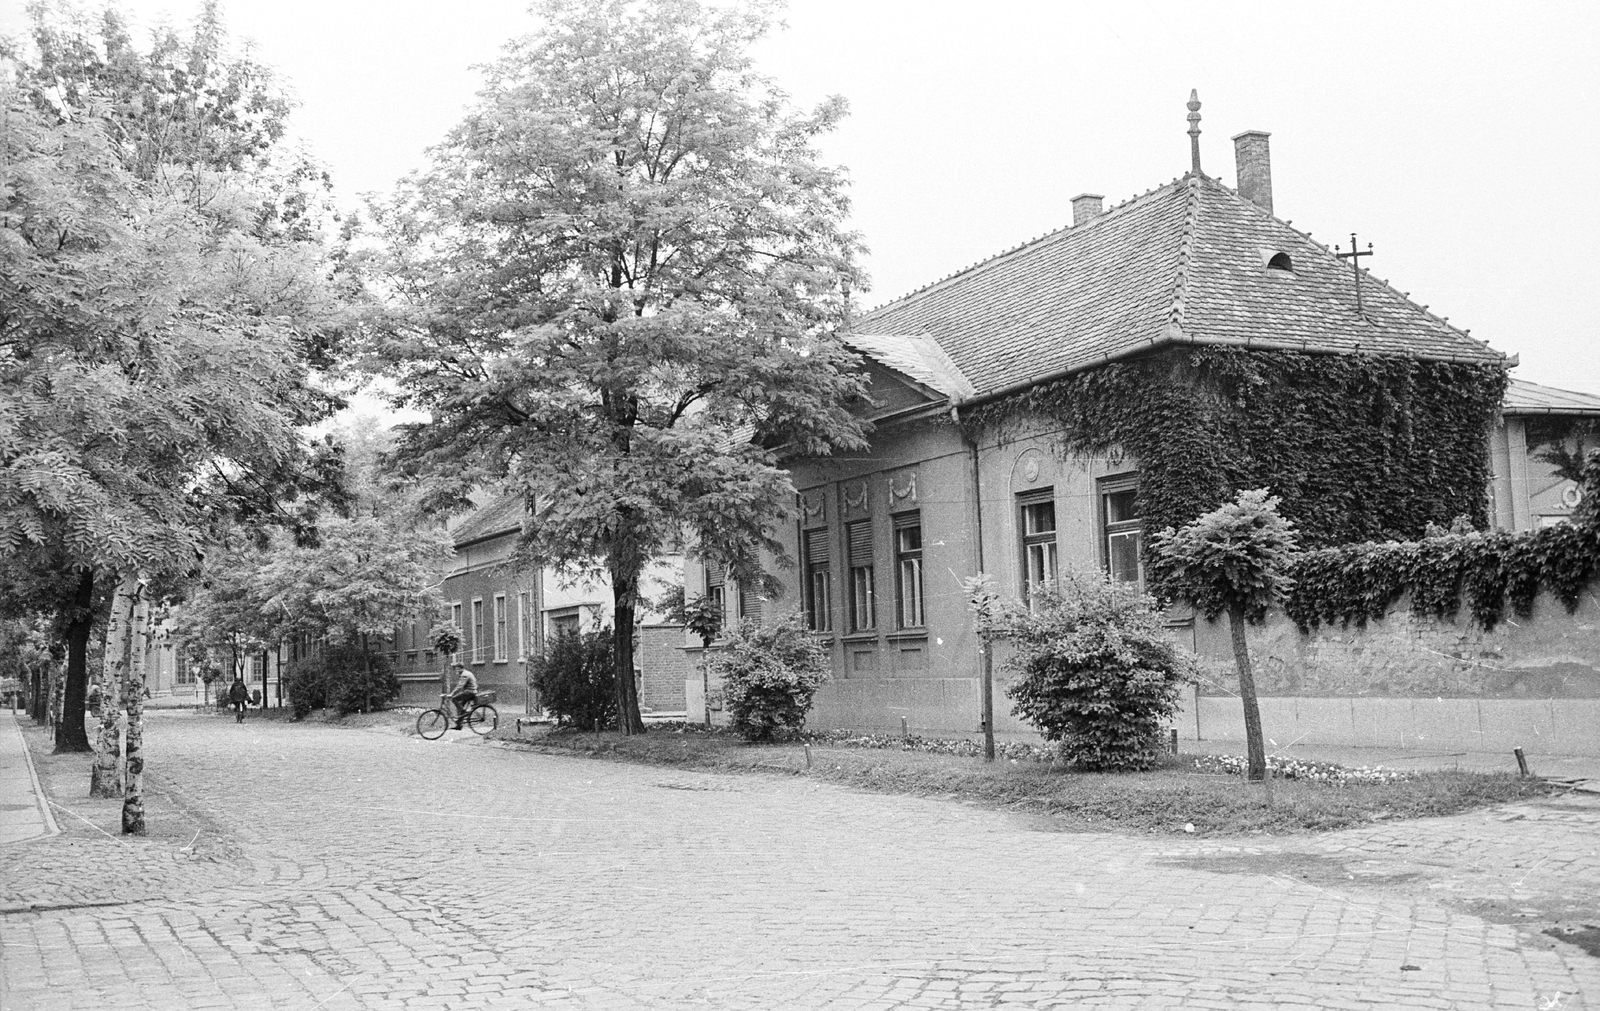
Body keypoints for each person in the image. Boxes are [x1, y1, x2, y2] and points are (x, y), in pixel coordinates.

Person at [449, 663, 478, 729]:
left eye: (458, 669)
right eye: (456, 669)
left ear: (461, 668)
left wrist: (452, 693)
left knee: (454, 699)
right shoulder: (466, 673)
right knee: (460, 704)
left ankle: (463, 713)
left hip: (470, 692)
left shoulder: (464, 674)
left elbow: (460, 686)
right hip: (470, 691)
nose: (457, 671)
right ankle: (459, 725)